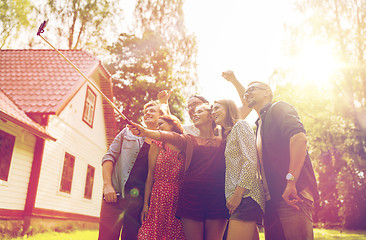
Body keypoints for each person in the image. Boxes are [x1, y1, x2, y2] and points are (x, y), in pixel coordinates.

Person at [223, 70, 319, 240]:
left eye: (253, 89)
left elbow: (299, 139)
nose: (248, 92)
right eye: (247, 91)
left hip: (292, 195)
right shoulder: (259, 124)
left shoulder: (279, 108)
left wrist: (291, 181)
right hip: (272, 200)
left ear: (267, 93)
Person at [128, 104, 229, 240]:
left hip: (217, 199)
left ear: (211, 116)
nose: (194, 114)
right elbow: (169, 136)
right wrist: (146, 132)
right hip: (191, 198)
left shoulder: (224, 140)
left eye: (200, 111)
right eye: (194, 112)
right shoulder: (189, 140)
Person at [98, 94, 169, 240]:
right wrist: (107, 186)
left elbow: (176, 129)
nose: (147, 113)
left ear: (161, 115)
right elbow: (108, 157)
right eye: (145, 112)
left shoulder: (165, 144)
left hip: (140, 204)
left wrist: (164, 103)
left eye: (152, 110)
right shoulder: (127, 132)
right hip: (115, 196)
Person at [212, 99, 265, 240]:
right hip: (239, 198)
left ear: (229, 108)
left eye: (217, 108)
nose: (213, 112)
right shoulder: (228, 134)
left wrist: (237, 195)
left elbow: (250, 161)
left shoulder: (240, 125)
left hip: (245, 197)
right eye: (212, 109)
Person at [138, 114, 186, 240]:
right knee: (152, 233)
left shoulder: (184, 146)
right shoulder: (157, 144)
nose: (158, 127)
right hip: (158, 195)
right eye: (157, 125)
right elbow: (150, 174)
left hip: (177, 197)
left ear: (172, 124)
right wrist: (145, 204)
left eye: (161, 124)